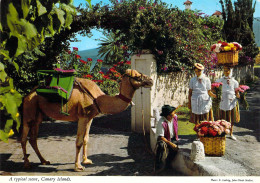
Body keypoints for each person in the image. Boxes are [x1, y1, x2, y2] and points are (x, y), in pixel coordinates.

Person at [216, 66, 240, 140]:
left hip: (231, 101)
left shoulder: (234, 82)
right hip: (223, 101)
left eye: (227, 71)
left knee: (231, 118)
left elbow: (237, 93)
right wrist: (216, 94)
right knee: (222, 118)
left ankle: (231, 133)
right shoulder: (220, 81)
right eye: (225, 70)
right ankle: (222, 133)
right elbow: (215, 90)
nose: (226, 72)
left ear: (230, 71)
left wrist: (240, 95)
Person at [155, 105, 179, 172]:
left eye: (174, 113)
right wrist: (171, 144)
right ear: (167, 116)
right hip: (163, 139)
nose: (174, 115)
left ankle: (167, 163)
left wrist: (173, 144)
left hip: (172, 138)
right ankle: (157, 163)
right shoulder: (161, 122)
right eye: (172, 114)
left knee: (175, 148)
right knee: (161, 146)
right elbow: (161, 137)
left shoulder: (174, 117)